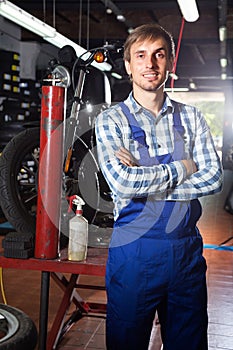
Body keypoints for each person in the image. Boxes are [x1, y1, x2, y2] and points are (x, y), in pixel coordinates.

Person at [95, 23, 223, 350]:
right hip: (134, 255)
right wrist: (183, 166)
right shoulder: (111, 120)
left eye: (159, 55)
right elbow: (122, 181)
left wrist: (145, 174)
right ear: (128, 65)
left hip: (186, 257)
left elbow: (212, 177)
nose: (150, 64)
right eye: (141, 55)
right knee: (127, 342)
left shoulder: (192, 118)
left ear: (170, 62)